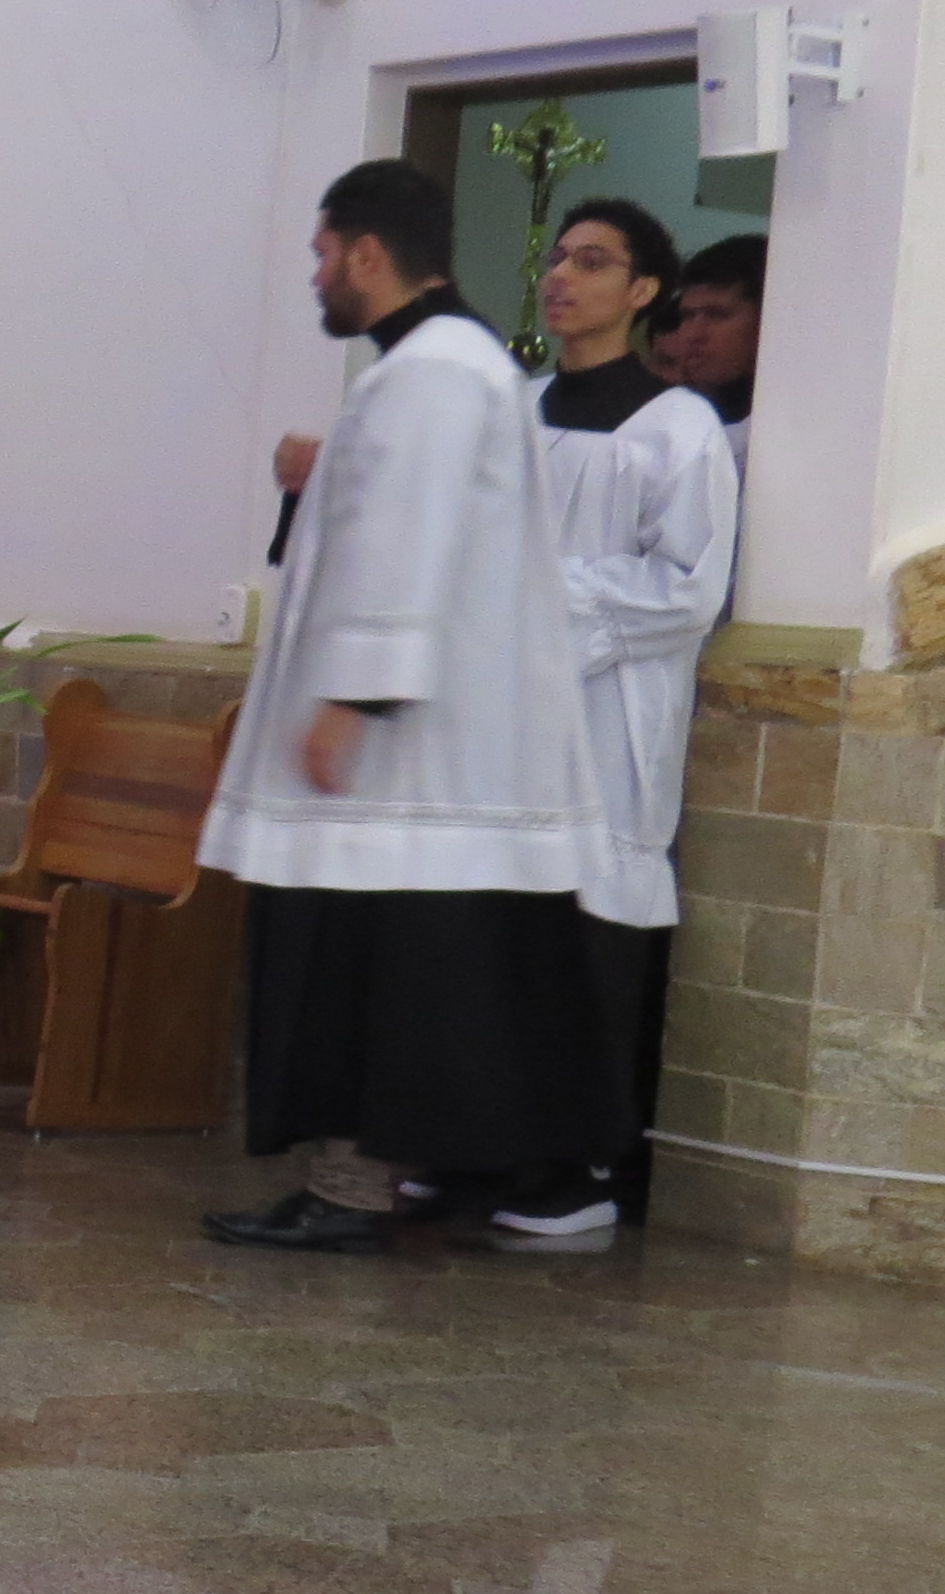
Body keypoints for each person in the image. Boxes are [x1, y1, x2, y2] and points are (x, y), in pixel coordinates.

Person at [201, 158, 623, 1254]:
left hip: (405, 758)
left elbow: (406, 541)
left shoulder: (432, 372)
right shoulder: (448, 366)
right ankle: (379, 1181)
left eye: (321, 254)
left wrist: (357, 697)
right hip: (426, 752)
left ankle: (350, 1191)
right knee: (406, 979)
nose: (315, 276)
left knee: (365, 979)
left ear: (367, 253)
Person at [530, 198, 738, 1226]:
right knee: (494, 932)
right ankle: (478, 1148)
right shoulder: (514, 411)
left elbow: (686, 586)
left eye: (593, 261)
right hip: (500, 716)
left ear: (642, 290)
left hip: (608, 712)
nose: (562, 276)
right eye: (558, 257)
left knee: (586, 932)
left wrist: (537, 604)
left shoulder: (677, 428)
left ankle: (578, 1172)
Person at [666, 230, 767, 463]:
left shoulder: (799, 431)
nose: (693, 334)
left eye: (717, 315)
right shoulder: (662, 424)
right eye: (687, 316)